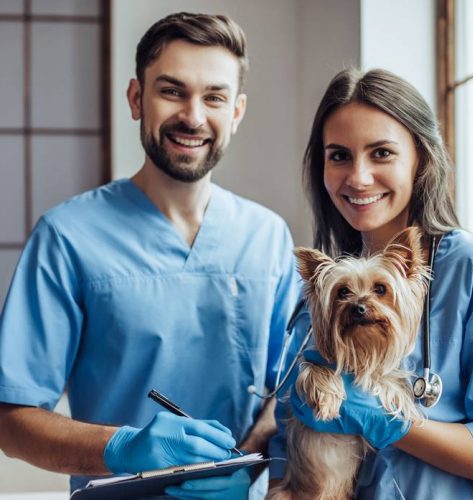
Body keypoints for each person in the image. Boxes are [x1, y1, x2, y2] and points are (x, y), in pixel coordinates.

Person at [0, 12, 300, 499]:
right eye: (172, 91)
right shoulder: (67, 236)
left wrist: (247, 464)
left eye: (215, 97)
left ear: (237, 112)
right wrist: (121, 447)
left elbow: (288, 396)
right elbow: (11, 421)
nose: (194, 116)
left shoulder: (267, 237)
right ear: (137, 98)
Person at [268, 68, 473, 499]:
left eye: (381, 153)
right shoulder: (322, 293)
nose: (357, 177)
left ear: (422, 158)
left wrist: (387, 420)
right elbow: (289, 452)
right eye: (338, 155)